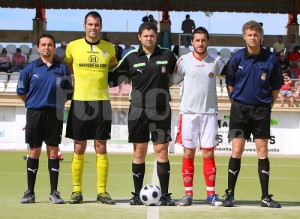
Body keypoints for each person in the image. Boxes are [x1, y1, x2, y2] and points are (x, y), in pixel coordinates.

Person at [109, 22, 177, 206]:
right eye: (145, 36)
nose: (149, 38)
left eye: (152, 35)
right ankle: (137, 195)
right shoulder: (130, 57)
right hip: (138, 110)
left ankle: (165, 195)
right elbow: (113, 79)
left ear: (156, 36)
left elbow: (178, 74)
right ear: (139, 37)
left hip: (161, 110)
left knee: (161, 151)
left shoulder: (168, 55)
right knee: (139, 151)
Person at [221, 20, 282, 208]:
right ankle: (230, 195)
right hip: (240, 110)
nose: (253, 38)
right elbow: (229, 81)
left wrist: (267, 105)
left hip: (261, 110)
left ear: (261, 36)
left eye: (256, 35)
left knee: (262, 152)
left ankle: (265, 197)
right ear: (244, 36)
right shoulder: (237, 58)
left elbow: (276, 86)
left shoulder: (270, 59)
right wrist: (236, 101)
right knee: (236, 151)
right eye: (250, 35)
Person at [64, 11, 118, 205]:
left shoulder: (109, 48)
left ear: (100, 27)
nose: (93, 28)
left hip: (102, 101)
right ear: (84, 26)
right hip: (80, 101)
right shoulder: (73, 47)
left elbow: (113, 67)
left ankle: (102, 191)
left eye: (96, 24)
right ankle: (76, 191)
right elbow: (68, 66)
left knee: (101, 146)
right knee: (79, 146)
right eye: (90, 24)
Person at [170, 27, 224, 206]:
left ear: (208, 41)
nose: (200, 43)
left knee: (208, 153)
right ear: (192, 42)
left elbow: (231, 76)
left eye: (203, 40)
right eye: (197, 40)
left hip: (209, 113)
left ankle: (211, 195)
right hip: (188, 114)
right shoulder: (183, 60)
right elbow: (172, 80)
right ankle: (188, 194)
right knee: (188, 152)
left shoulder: (216, 60)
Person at [17, 33, 72, 204]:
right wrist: (33, 104)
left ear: (53, 47)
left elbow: (68, 92)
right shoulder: (29, 68)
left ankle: (54, 193)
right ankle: (30, 192)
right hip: (35, 113)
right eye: (43, 44)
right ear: (38, 48)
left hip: (54, 113)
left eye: (49, 44)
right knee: (34, 151)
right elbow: (21, 92)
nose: (46, 47)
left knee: (53, 151)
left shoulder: (61, 68)